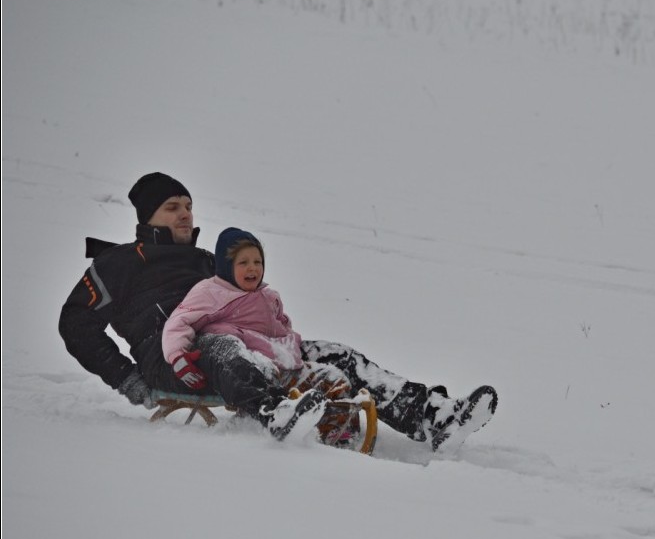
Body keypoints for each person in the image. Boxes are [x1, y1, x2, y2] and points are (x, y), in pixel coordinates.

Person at [59, 171, 497, 449]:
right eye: (172, 208)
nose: (185, 215)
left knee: (334, 353)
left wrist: (283, 344)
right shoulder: (118, 263)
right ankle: (274, 412)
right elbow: (75, 321)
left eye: (189, 206)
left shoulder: (204, 261)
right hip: (177, 358)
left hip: (239, 347)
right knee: (220, 344)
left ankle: (431, 418)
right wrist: (126, 378)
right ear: (147, 216)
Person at [161, 226, 359, 443]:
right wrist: (177, 356)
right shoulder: (210, 292)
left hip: (282, 364)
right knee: (240, 358)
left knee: (333, 378)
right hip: (248, 363)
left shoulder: (268, 296)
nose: (252, 268)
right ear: (227, 267)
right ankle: (272, 413)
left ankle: (339, 434)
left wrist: (291, 348)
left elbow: (283, 326)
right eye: (243, 262)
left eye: (258, 262)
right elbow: (178, 322)